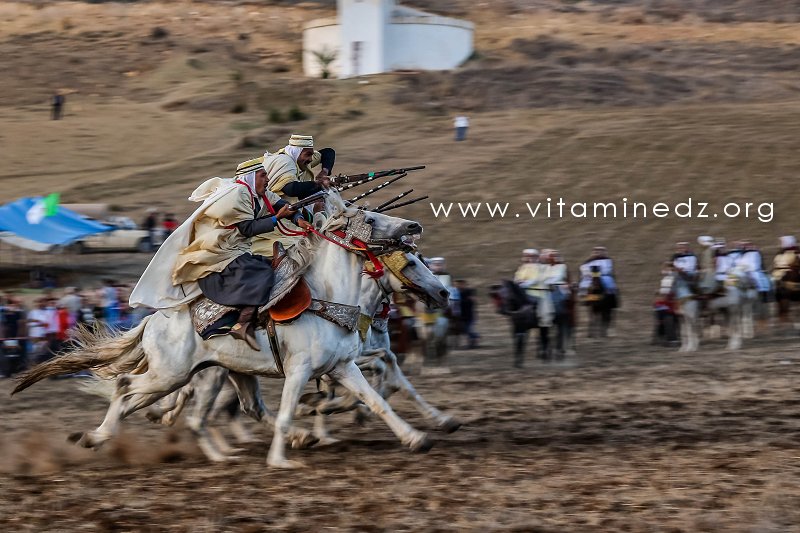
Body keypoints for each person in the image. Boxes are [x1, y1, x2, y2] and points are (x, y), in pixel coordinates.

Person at [129, 155, 312, 350]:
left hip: (237, 248)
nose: (267, 179)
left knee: (270, 268)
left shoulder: (260, 194)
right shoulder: (238, 194)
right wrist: (277, 218)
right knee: (262, 272)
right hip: (220, 252)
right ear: (250, 177)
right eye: (263, 175)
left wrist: (299, 219)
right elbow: (247, 229)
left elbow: (283, 205)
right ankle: (242, 323)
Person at [252, 134, 334, 258]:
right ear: (297, 152)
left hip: (290, 212)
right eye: (308, 155)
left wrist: (324, 172)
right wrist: (320, 184)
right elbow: (291, 189)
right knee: (302, 249)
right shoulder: (285, 162)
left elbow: (328, 152)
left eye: (311, 154)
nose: (311, 159)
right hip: (275, 219)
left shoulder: (301, 159)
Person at [454, 279, 478, 348]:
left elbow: (472, 301)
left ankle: (473, 342)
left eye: (459, 284)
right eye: (456, 284)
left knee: (468, 329)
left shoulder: (469, 291)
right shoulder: (456, 292)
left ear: (463, 284)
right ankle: (474, 339)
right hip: (461, 315)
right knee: (465, 330)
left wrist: (460, 302)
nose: (457, 286)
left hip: (469, 314)